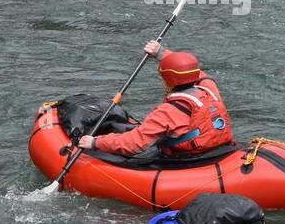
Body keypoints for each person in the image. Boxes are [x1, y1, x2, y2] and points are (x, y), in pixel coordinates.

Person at [77, 41, 235, 158]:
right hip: (218, 149)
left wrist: (95, 142)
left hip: (190, 157)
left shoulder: (167, 112)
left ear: (168, 79)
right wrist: (161, 53)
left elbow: (134, 143)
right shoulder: (210, 89)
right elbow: (199, 74)